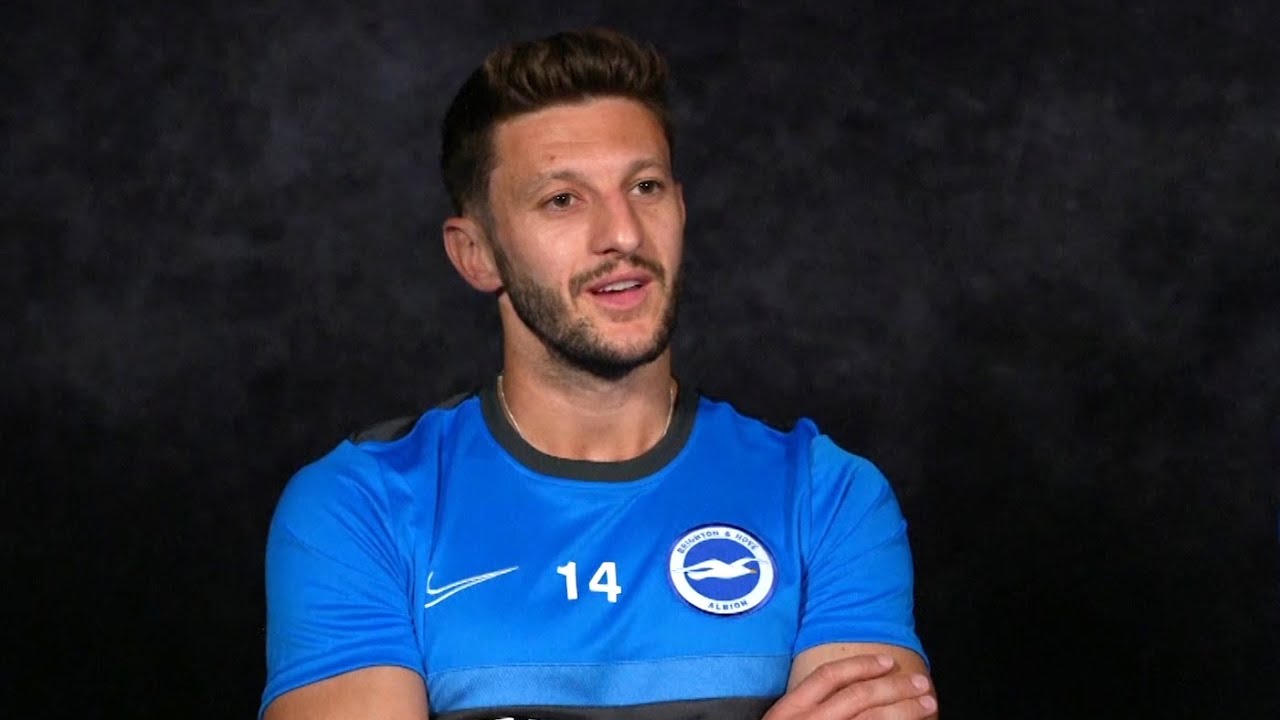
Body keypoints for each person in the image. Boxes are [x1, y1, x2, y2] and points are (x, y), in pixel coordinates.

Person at [261, 27, 937, 720]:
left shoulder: (825, 498)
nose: (623, 234)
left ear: (680, 207)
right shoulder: (361, 506)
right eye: (563, 199)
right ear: (476, 254)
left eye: (645, 187)